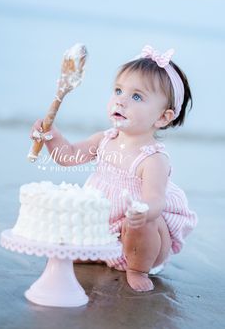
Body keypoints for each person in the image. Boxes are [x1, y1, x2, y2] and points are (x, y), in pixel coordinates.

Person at [30, 45, 198, 292]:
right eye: (118, 90)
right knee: (72, 221)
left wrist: (143, 211)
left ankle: (137, 270)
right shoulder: (105, 139)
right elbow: (68, 156)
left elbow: (155, 200)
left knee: (140, 223)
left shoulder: (152, 159)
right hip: (105, 232)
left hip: (143, 243)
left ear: (162, 118)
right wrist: (50, 137)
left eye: (137, 96)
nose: (121, 99)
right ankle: (97, 253)